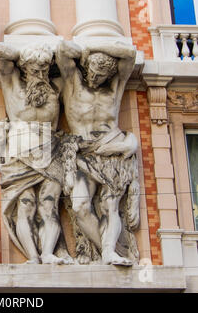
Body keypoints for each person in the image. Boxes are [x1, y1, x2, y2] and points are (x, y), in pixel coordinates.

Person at [55, 39, 140, 266]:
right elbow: (63, 49)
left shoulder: (115, 88)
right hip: (84, 155)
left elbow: (129, 54)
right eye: (92, 72)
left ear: (109, 74)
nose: (94, 78)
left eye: (100, 75)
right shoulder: (73, 83)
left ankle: (109, 252)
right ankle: (109, 248)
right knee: (80, 205)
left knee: (111, 206)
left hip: (112, 153)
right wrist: (89, 51)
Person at [0, 42, 75, 264]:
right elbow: (0, 51)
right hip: (19, 154)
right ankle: (33, 256)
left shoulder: (56, 87)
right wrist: (27, 51)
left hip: (51, 151)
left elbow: (70, 60)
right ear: (24, 68)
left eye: (44, 69)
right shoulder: (12, 84)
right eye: (34, 69)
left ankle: (48, 252)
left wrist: (48, 54)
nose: (40, 74)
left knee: (49, 205)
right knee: (25, 206)